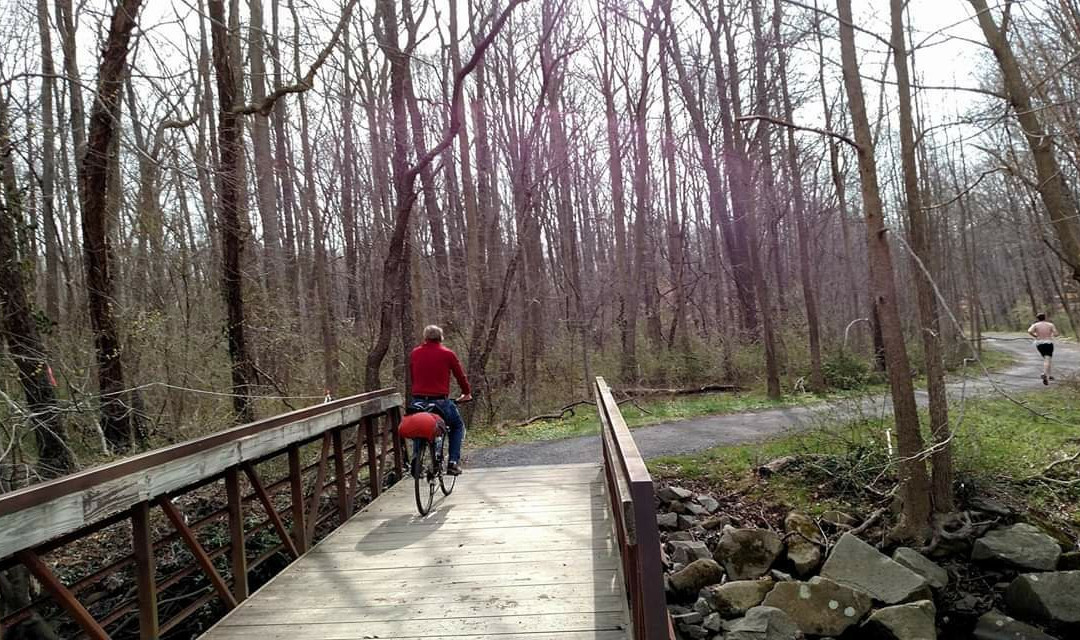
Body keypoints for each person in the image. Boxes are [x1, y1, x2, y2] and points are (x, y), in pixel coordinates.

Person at [409, 325, 471, 475]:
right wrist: (466, 392)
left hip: (418, 401)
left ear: (425, 337)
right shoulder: (447, 354)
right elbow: (460, 376)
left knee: (420, 427)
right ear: (441, 338)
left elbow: (413, 376)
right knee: (457, 426)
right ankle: (453, 463)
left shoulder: (415, 353)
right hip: (440, 402)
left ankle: (417, 458)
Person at [1027, 313, 1059, 385]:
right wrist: (1052, 334)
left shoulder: (1035, 325)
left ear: (1037, 318)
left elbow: (1029, 331)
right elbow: (1056, 334)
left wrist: (1035, 335)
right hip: (1048, 342)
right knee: (1047, 359)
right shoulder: (1050, 324)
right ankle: (1045, 374)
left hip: (1039, 343)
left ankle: (1049, 375)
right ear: (1045, 317)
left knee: (1046, 359)